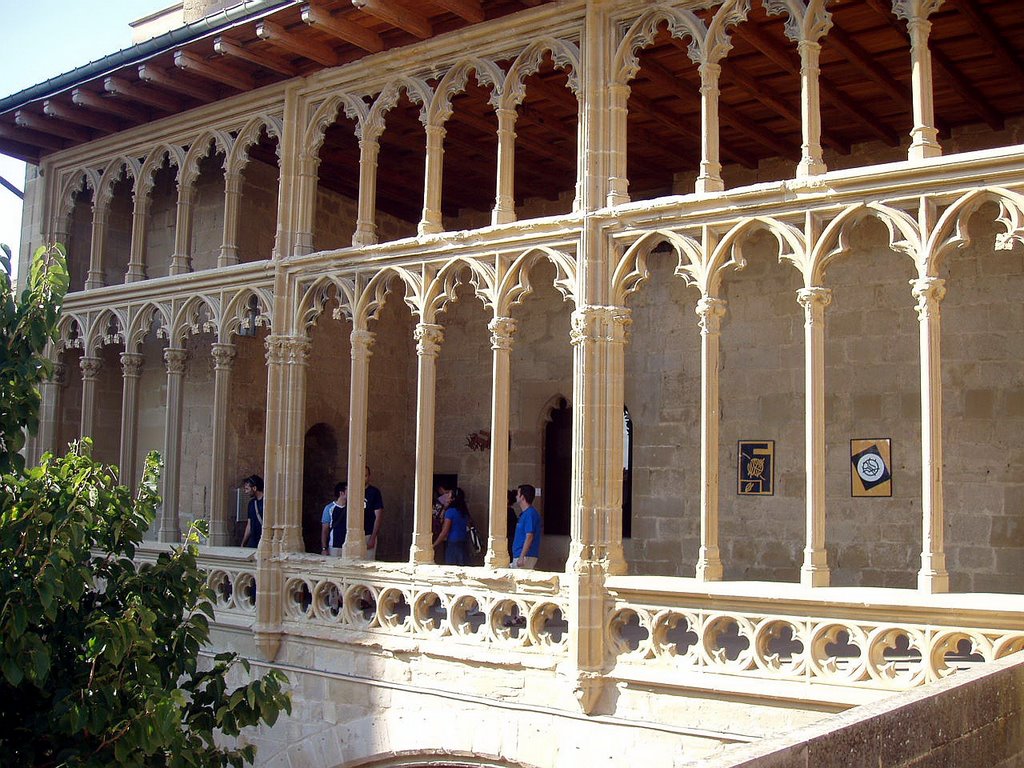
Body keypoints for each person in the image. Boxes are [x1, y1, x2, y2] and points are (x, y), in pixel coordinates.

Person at [432, 487, 469, 566]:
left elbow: (444, 531)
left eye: (449, 494)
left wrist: (434, 544)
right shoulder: (463, 511)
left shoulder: (450, 512)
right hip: (463, 541)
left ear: (453, 498)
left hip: (453, 543)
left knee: (451, 566)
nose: (447, 495)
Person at [511, 483, 541, 569]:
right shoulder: (524, 514)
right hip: (520, 555)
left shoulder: (530, 513)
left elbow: (529, 536)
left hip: (525, 556)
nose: (516, 496)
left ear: (522, 497)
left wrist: (522, 556)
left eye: (518, 494)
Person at [320, 482, 347, 556]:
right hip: (334, 547)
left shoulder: (351, 508)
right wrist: (324, 548)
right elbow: (325, 530)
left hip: (348, 547)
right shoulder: (329, 508)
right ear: (341, 493)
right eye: (348, 489)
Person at [364, 466, 384, 560]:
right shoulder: (350, 491)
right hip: (351, 535)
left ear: (369, 476)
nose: (363, 478)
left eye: (366, 475)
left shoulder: (374, 492)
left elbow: (378, 516)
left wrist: (373, 537)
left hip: (368, 534)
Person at [240, 474, 264, 548]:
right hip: (253, 542)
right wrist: (243, 543)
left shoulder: (268, 502)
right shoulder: (251, 503)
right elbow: (249, 525)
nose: (246, 492)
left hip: (264, 541)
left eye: (247, 489)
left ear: (254, 488)